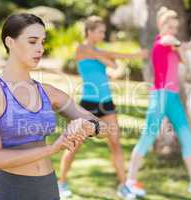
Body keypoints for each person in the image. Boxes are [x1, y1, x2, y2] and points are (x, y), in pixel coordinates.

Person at [0, 13, 108, 200]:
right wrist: (52, 149)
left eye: (42, 42)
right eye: (32, 41)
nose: (40, 48)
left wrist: (89, 126)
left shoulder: (48, 92)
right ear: (10, 42)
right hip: (12, 191)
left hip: (48, 189)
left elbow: (105, 129)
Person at [125, 7, 191, 198]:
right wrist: (177, 43)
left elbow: (188, 47)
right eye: (169, 26)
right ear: (161, 25)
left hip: (173, 99)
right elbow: (175, 41)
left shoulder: (173, 47)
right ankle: (130, 181)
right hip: (160, 97)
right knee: (148, 138)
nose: (172, 30)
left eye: (175, 27)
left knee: (187, 138)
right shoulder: (162, 42)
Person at [57, 15, 148, 199]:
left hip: (106, 103)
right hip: (88, 104)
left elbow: (112, 64)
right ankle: (61, 183)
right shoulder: (81, 49)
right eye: (100, 31)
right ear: (89, 32)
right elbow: (112, 59)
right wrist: (134, 56)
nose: (103, 34)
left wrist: (106, 58)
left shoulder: (98, 51)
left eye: (103, 31)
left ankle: (123, 186)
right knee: (74, 144)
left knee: (115, 144)